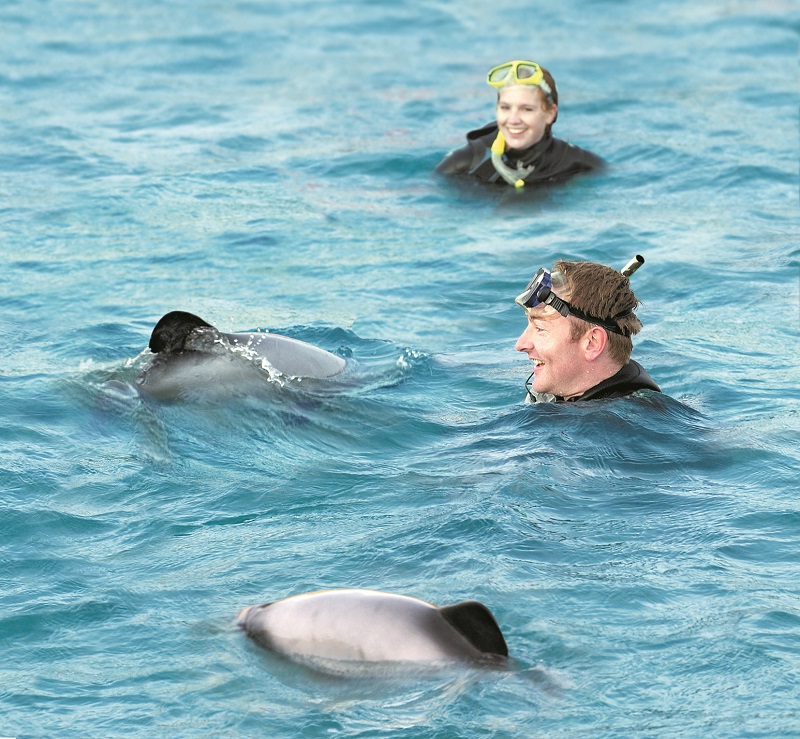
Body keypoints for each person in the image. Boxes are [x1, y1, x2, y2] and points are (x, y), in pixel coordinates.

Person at [514, 257, 660, 403]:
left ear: (592, 343)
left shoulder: (620, 421)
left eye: (540, 328)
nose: (520, 344)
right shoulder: (553, 398)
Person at [436, 59, 603, 187]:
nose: (513, 120)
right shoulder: (467, 162)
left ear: (550, 113)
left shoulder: (574, 161)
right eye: (505, 108)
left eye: (526, 109)